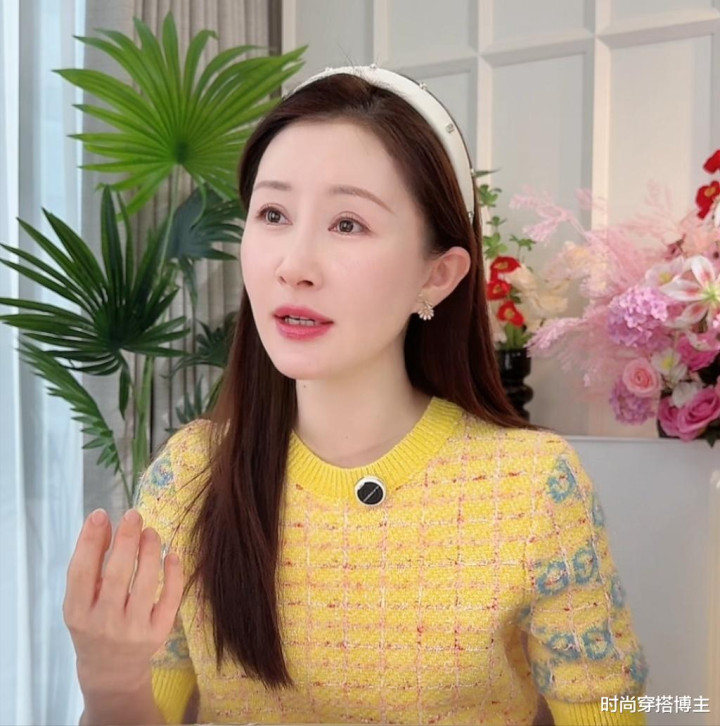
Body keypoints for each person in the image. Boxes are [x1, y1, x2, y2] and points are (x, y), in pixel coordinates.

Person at [64, 65, 649, 726]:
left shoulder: (532, 486)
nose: (293, 265)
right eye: (273, 214)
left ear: (438, 275)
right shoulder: (189, 476)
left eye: (347, 224)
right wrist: (110, 686)